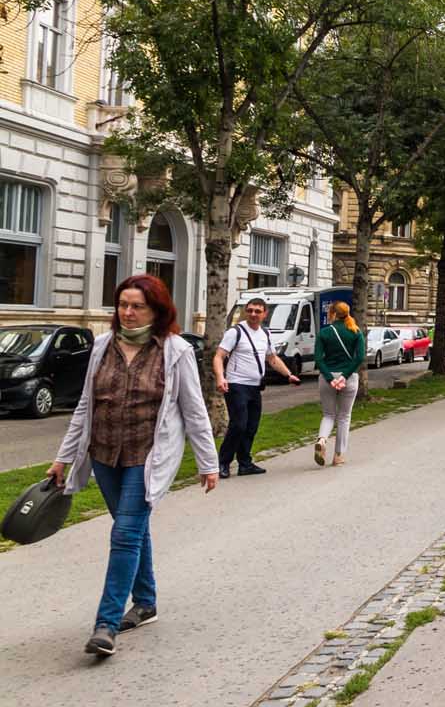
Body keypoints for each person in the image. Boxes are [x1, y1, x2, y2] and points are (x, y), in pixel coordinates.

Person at [48, 274, 219, 657]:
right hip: (104, 455)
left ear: (156, 310)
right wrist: (63, 457)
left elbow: (194, 410)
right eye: (122, 304)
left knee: (124, 534)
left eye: (136, 305)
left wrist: (209, 462)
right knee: (133, 531)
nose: (127, 312)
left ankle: (105, 625)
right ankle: (146, 601)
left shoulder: (175, 350)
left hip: (147, 459)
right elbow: (84, 406)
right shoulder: (103, 346)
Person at [212, 297, 300, 478]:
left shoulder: (265, 334)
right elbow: (219, 356)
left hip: (255, 387)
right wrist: (221, 378)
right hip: (236, 384)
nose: (253, 314)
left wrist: (288, 374)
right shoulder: (235, 332)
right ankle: (223, 463)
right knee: (238, 424)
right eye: (250, 310)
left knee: (251, 426)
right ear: (245, 311)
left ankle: (245, 463)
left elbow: (272, 359)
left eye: (257, 311)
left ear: (265, 314)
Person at [313, 302, 366, 468]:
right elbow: (359, 358)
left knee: (328, 414)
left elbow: (319, 358)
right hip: (349, 378)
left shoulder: (324, 333)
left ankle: (322, 439)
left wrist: (330, 378)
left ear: (332, 313)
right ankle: (338, 456)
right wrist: (344, 376)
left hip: (327, 378)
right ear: (347, 313)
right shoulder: (356, 331)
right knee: (344, 417)